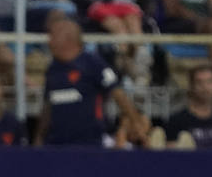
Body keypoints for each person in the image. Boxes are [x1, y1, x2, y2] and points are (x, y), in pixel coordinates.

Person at [34, 16, 150, 146]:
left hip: (89, 143)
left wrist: (136, 123)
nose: (49, 41)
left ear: (67, 37)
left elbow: (118, 93)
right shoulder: (53, 69)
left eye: (52, 36)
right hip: (56, 143)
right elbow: (47, 106)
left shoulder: (94, 64)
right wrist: (39, 136)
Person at [163, 64, 212, 148]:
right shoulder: (176, 121)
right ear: (191, 86)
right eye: (199, 82)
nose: (205, 87)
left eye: (210, 81)